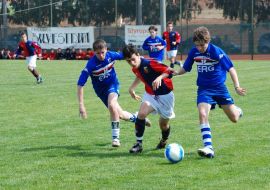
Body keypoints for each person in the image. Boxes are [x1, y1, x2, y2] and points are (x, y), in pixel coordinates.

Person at [174, 26, 246, 158]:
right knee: (202, 113)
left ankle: (238, 110)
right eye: (197, 45)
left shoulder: (216, 51)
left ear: (208, 41)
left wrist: (237, 87)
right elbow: (186, 68)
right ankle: (209, 147)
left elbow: (231, 69)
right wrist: (176, 73)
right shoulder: (194, 52)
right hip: (204, 89)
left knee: (234, 118)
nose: (200, 48)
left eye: (202, 45)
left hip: (219, 89)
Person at [77, 39, 151, 147]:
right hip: (101, 92)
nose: (101, 55)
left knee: (112, 105)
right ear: (94, 53)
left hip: (113, 85)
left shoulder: (111, 55)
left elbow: (126, 55)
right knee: (120, 115)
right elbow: (80, 85)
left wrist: (141, 60)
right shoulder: (91, 65)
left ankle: (115, 138)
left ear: (106, 49)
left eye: (103, 52)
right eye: (98, 53)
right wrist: (81, 105)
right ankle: (138, 119)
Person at [122, 44, 175, 153]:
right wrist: (132, 88)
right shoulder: (135, 67)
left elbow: (170, 70)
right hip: (150, 94)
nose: (132, 63)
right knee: (141, 114)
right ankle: (138, 144)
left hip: (166, 96)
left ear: (138, 55)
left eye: (133, 59)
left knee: (163, 124)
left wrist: (159, 77)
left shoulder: (150, 63)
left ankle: (164, 140)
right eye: (128, 61)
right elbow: (139, 75)